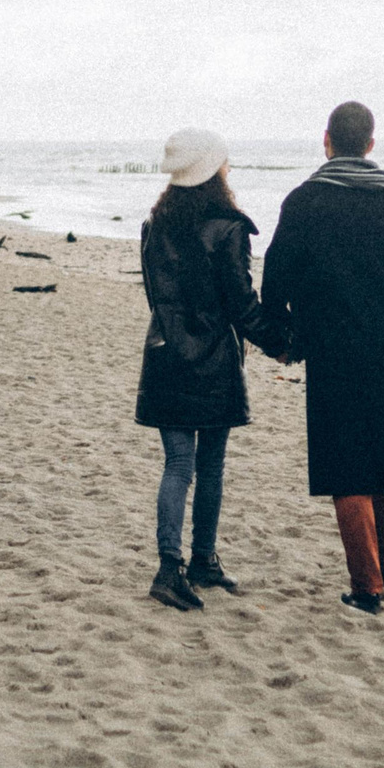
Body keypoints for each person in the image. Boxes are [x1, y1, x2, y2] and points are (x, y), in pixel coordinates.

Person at [258, 100, 384, 614]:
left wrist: (280, 335)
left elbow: (275, 275)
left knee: (346, 466)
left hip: (332, 348)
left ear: (326, 140)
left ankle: (367, 586)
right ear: (371, 143)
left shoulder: (304, 201)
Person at [133, 127, 269, 612]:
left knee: (178, 465)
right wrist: (282, 339)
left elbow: (157, 296)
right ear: (214, 170)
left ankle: (178, 566)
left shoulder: (154, 225)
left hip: (166, 354)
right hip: (212, 360)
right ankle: (197, 561)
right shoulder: (228, 227)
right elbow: (242, 304)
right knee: (207, 465)